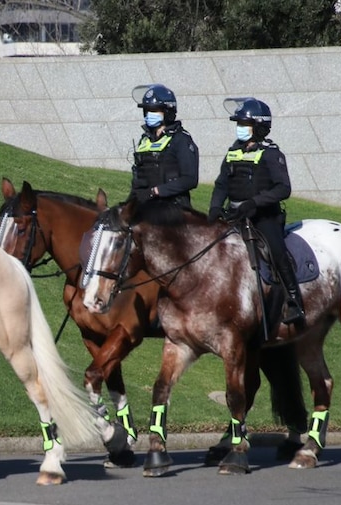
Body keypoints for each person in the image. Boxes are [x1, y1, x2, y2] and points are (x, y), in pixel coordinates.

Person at [208, 97, 305, 325]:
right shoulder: (233, 151)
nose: (240, 129)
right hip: (234, 215)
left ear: (259, 128)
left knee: (276, 251)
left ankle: (294, 300)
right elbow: (221, 184)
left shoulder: (271, 153)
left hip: (263, 217)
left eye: (245, 125)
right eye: (239, 124)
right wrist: (214, 207)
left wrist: (254, 203)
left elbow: (284, 188)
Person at [129, 83, 199, 209]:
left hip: (173, 207)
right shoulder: (144, 141)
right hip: (145, 204)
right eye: (147, 110)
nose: (150, 114)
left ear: (167, 111)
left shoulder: (181, 139)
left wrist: (156, 191)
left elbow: (190, 179)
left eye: (155, 110)